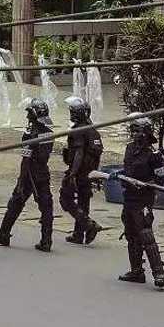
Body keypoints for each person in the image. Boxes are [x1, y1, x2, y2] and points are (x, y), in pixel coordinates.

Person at [0, 98, 56, 252]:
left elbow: (26, 159)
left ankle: (4, 234)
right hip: (42, 173)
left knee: (15, 203)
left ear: (35, 114)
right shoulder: (49, 133)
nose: (27, 117)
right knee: (46, 207)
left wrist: (21, 181)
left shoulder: (30, 134)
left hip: (29, 175)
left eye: (29, 113)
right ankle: (46, 241)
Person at [114, 116, 164, 289]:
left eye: (138, 131)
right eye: (133, 131)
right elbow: (128, 169)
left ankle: (159, 273)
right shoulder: (129, 149)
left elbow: (161, 181)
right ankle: (136, 271)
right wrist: (119, 174)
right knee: (131, 234)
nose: (134, 134)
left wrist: (148, 184)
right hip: (128, 197)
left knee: (145, 234)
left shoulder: (154, 155)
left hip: (143, 199)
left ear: (146, 133)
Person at [61, 96, 104, 245]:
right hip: (89, 172)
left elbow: (79, 153)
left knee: (65, 199)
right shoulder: (92, 130)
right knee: (83, 203)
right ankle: (78, 234)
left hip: (79, 172)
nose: (70, 113)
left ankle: (89, 225)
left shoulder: (79, 130)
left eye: (72, 111)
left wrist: (72, 173)